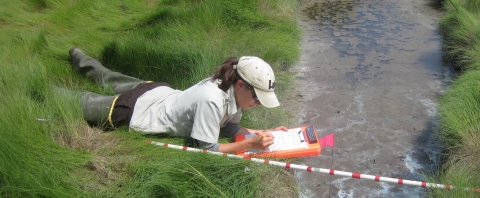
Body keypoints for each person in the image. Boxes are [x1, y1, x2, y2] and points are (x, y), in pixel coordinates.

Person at [68, 47, 287, 154]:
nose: (258, 104)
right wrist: (250, 144)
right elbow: (208, 148)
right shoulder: (212, 100)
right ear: (241, 85)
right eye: (258, 98)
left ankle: (79, 56)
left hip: (156, 92)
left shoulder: (228, 86)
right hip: (135, 110)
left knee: (109, 76)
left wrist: (264, 133)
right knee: (80, 102)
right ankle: (44, 87)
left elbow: (230, 127)